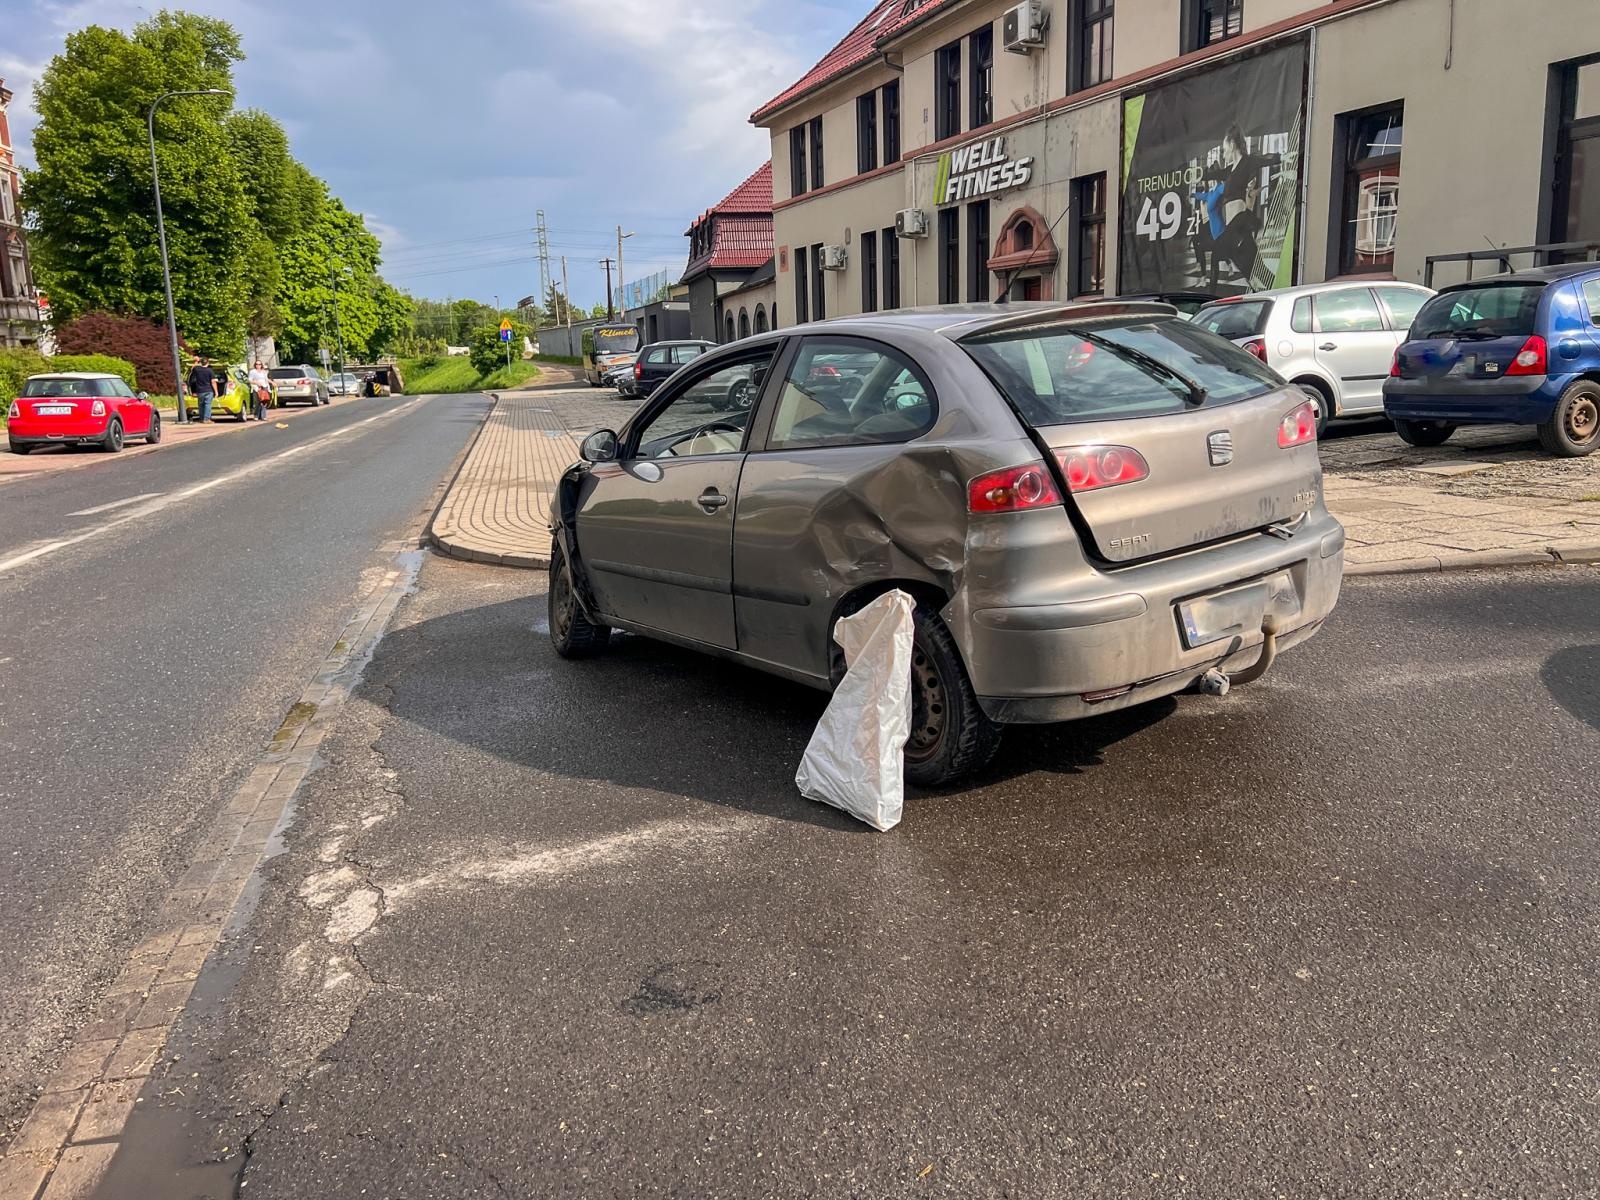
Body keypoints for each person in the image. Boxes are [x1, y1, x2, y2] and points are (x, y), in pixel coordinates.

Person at [187, 357, 217, 423]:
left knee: (201, 405)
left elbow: (192, 369)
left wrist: (196, 361)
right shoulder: (210, 371)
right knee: (208, 404)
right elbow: (213, 382)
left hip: (200, 391)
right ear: (208, 363)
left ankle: (202, 418)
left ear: (201, 363)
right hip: (209, 390)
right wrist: (216, 392)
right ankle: (206, 419)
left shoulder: (197, 370)